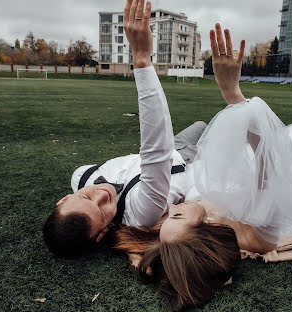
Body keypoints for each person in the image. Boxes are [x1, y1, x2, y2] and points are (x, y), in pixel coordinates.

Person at [110, 1, 292, 310]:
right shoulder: (257, 232)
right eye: (178, 216)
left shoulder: (182, 230)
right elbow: (270, 155)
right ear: (205, 228)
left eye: (167, 218)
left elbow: (155, 244)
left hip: (252, 181)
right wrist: (233, 95)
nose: (172, 210)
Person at [42, 0, 207, 258]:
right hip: (194, 162)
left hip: (177, 143)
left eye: (86, 198)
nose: (101, 196)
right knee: (232, 132)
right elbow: (156, 153)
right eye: (102, 211)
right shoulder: (140, 213)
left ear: (64, 199)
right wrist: (142, 60)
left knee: (202, 124)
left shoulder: (81, 176)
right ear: (101, 234)